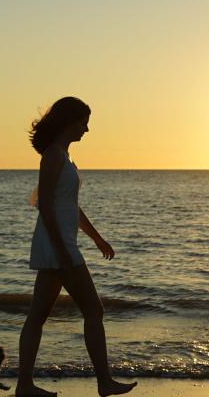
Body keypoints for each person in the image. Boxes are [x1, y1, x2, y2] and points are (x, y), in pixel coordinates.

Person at [16, 97, 137, 397]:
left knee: (38, 315)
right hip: (57, 245)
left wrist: (96, 238)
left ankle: (24, 385)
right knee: (93, 309)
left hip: (60, 244)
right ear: (69, 121)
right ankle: (104, 382)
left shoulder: (66, 158)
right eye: (83, 121)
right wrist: (60, 248)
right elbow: (45, 203)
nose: (87, 128)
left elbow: (71, 206)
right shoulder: (53, 156)